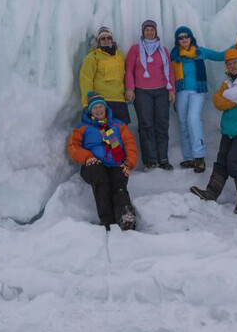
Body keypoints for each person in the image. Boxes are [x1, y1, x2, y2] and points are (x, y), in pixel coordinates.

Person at [190, 47, 237, 214]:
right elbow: (218, 101)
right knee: (221, 161)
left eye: (234, 62)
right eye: (229, 63)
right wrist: (234, 98)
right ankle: (211, 193)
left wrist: (229, 96)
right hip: (230, 128)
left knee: (234, 161)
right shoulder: (227, 82)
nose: (232, 65)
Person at [171, 26, 237, 173]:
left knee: (193, 119)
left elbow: (219, 55)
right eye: (181, 37)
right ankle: (189, 158)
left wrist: (235, 46)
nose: (184, 39)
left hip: (197, 91)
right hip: (180, 92)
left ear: (191, 37)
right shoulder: (174, 55)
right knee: (182, 122)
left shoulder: (200, 52)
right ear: (177, 40)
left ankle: (199, 157)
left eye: (186, 36)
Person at [67, 91, 139, 230]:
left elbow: (130, 144)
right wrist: (87, 157)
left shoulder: (118, 125)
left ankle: (126, 217)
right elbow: (73, 147)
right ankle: (107, 220)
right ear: (90, 111)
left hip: (115, 163)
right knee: (101, 178)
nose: (98, 110)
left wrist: (129, 162)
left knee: (119, 182)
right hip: (93, 165)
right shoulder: (82, 128)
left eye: (101, 106)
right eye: (95, 108)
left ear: (105, 108)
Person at [125, 20, 175, 170]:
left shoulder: (163, 50)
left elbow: (169, 70)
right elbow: (129, 69)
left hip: (161, 91)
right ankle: (150, 160)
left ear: (156, 31)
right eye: (146, 29)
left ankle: (163, 158)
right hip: (142, 91)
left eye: (152, 29)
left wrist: (171, 89)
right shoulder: (135, 49)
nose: (149, 32)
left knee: (162, 124)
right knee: (146, 124)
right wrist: (129, 88)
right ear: (143, 32)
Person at [79, 26, 131, 124]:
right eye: (103, 38)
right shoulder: (92, 57)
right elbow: (86, 78)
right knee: (103, 133)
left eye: (108, 38)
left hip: (119, 101)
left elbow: (126, 76)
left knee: (120, 133)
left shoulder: (120, 56)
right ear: (98, 41)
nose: (106, 40)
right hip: (101, 102)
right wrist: (87, 101)